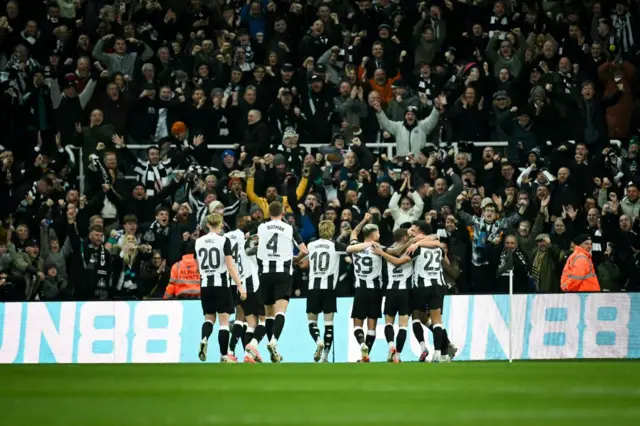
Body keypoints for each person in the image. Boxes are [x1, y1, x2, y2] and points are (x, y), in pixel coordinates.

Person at [256, 201, 308, 363]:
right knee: (280, 311)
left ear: (268, 212)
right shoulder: (290, 228)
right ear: (283, 213)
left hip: (265, 273)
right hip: (283, 272)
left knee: (268, 313)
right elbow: (304, 251)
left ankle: (273, 351)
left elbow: (256, 243)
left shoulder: (262, 227)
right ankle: (274, 341)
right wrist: (294, 259)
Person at [195, 213, 246, 363]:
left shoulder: (198, 242)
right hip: (221, 285)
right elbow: (230, 266)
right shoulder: (224, 240)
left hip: (205, 285)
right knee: (224, 323)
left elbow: (198, 268)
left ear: (207, 225)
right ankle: (224, 355)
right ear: (221, 225)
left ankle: (204, 339)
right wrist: (240, 286)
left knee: (209, 318)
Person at [305, 220, 348, 362]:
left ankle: (318, 340)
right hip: (329, 289)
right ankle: (325, 356)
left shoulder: (311, 245)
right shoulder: (335, 246)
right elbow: (350, 250)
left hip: (313, 288)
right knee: (329, 325)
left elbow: (303, 261)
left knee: (312, 321)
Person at [226, 220, 266, 363]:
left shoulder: (233, 241)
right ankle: (252, 346)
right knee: (266, 320)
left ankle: (240, 354)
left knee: (248, 322)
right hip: (252, 284)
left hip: (238, 283)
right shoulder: (249, 244)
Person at [372, 228, 413, 363]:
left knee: (388, 323)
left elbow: (394, 255)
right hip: (405, 292)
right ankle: (398, 355)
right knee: (403, 325)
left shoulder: (387, 250)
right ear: (404, 238)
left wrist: (382, 253)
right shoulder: (411, 249)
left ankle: (391, 346)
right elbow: (398, 260)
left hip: (390, 292)